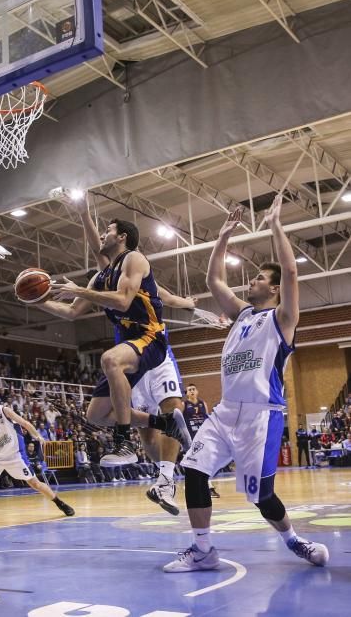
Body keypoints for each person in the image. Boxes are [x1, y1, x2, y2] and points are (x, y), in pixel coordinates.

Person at [164, 196, 329, 572]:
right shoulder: (241, 314)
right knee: (194, 470)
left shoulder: (282, 319)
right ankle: (203, 550)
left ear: (272, 290)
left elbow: (290, 272)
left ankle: (294, 540)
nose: (251, 281)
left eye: (258, 278)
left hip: (260, 415)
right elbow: (213, 280)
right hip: (225, 412)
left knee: (262, 496)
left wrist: (274, 225)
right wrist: (221, 237)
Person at [36, 211, 191, 467]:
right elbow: (72, 311)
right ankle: (164, 422)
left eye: (107, 230)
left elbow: (123, 301)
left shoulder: (134, 259)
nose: (101, 235)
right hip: (129, 348)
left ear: (122, 237)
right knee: (96, 415)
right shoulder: (100, 278)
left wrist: (79, 289)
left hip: (151, 338)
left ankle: (124, 443)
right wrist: (39, 302)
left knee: (109, 360)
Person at [0, 387, 75, 520]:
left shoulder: (5, 410)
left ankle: (60, 503)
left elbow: (24, 423)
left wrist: (38, 436)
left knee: (35, 484)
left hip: (15, 455)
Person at [183, 385, 220, 498]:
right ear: (187, 393)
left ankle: (196, 484)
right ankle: (208, 488)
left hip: (204, 435)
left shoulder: (202, 403)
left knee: (208, 461)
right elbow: (179, 420)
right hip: (191, 437)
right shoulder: (184, 405)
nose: (192, 391)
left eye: (194, 389)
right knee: (195, 462)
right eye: (190, 390)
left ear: (197, 391)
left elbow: (207, 419)